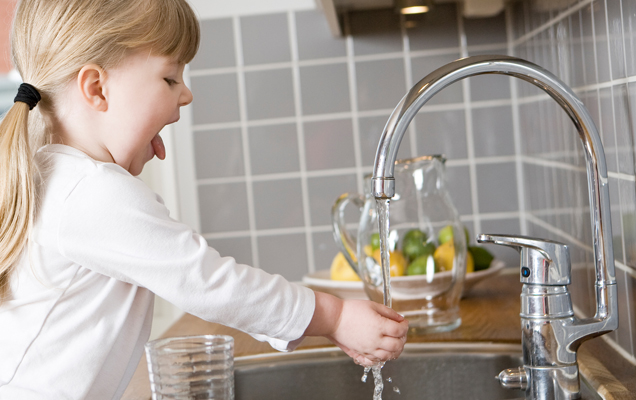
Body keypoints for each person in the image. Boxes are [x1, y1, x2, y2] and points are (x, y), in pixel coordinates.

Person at [0, 0, 409, 398]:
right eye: (169, 79)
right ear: (97, 88)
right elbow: (210, 283)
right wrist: (332, 316)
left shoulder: (60, 180)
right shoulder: (92, 192)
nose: (186, 95)